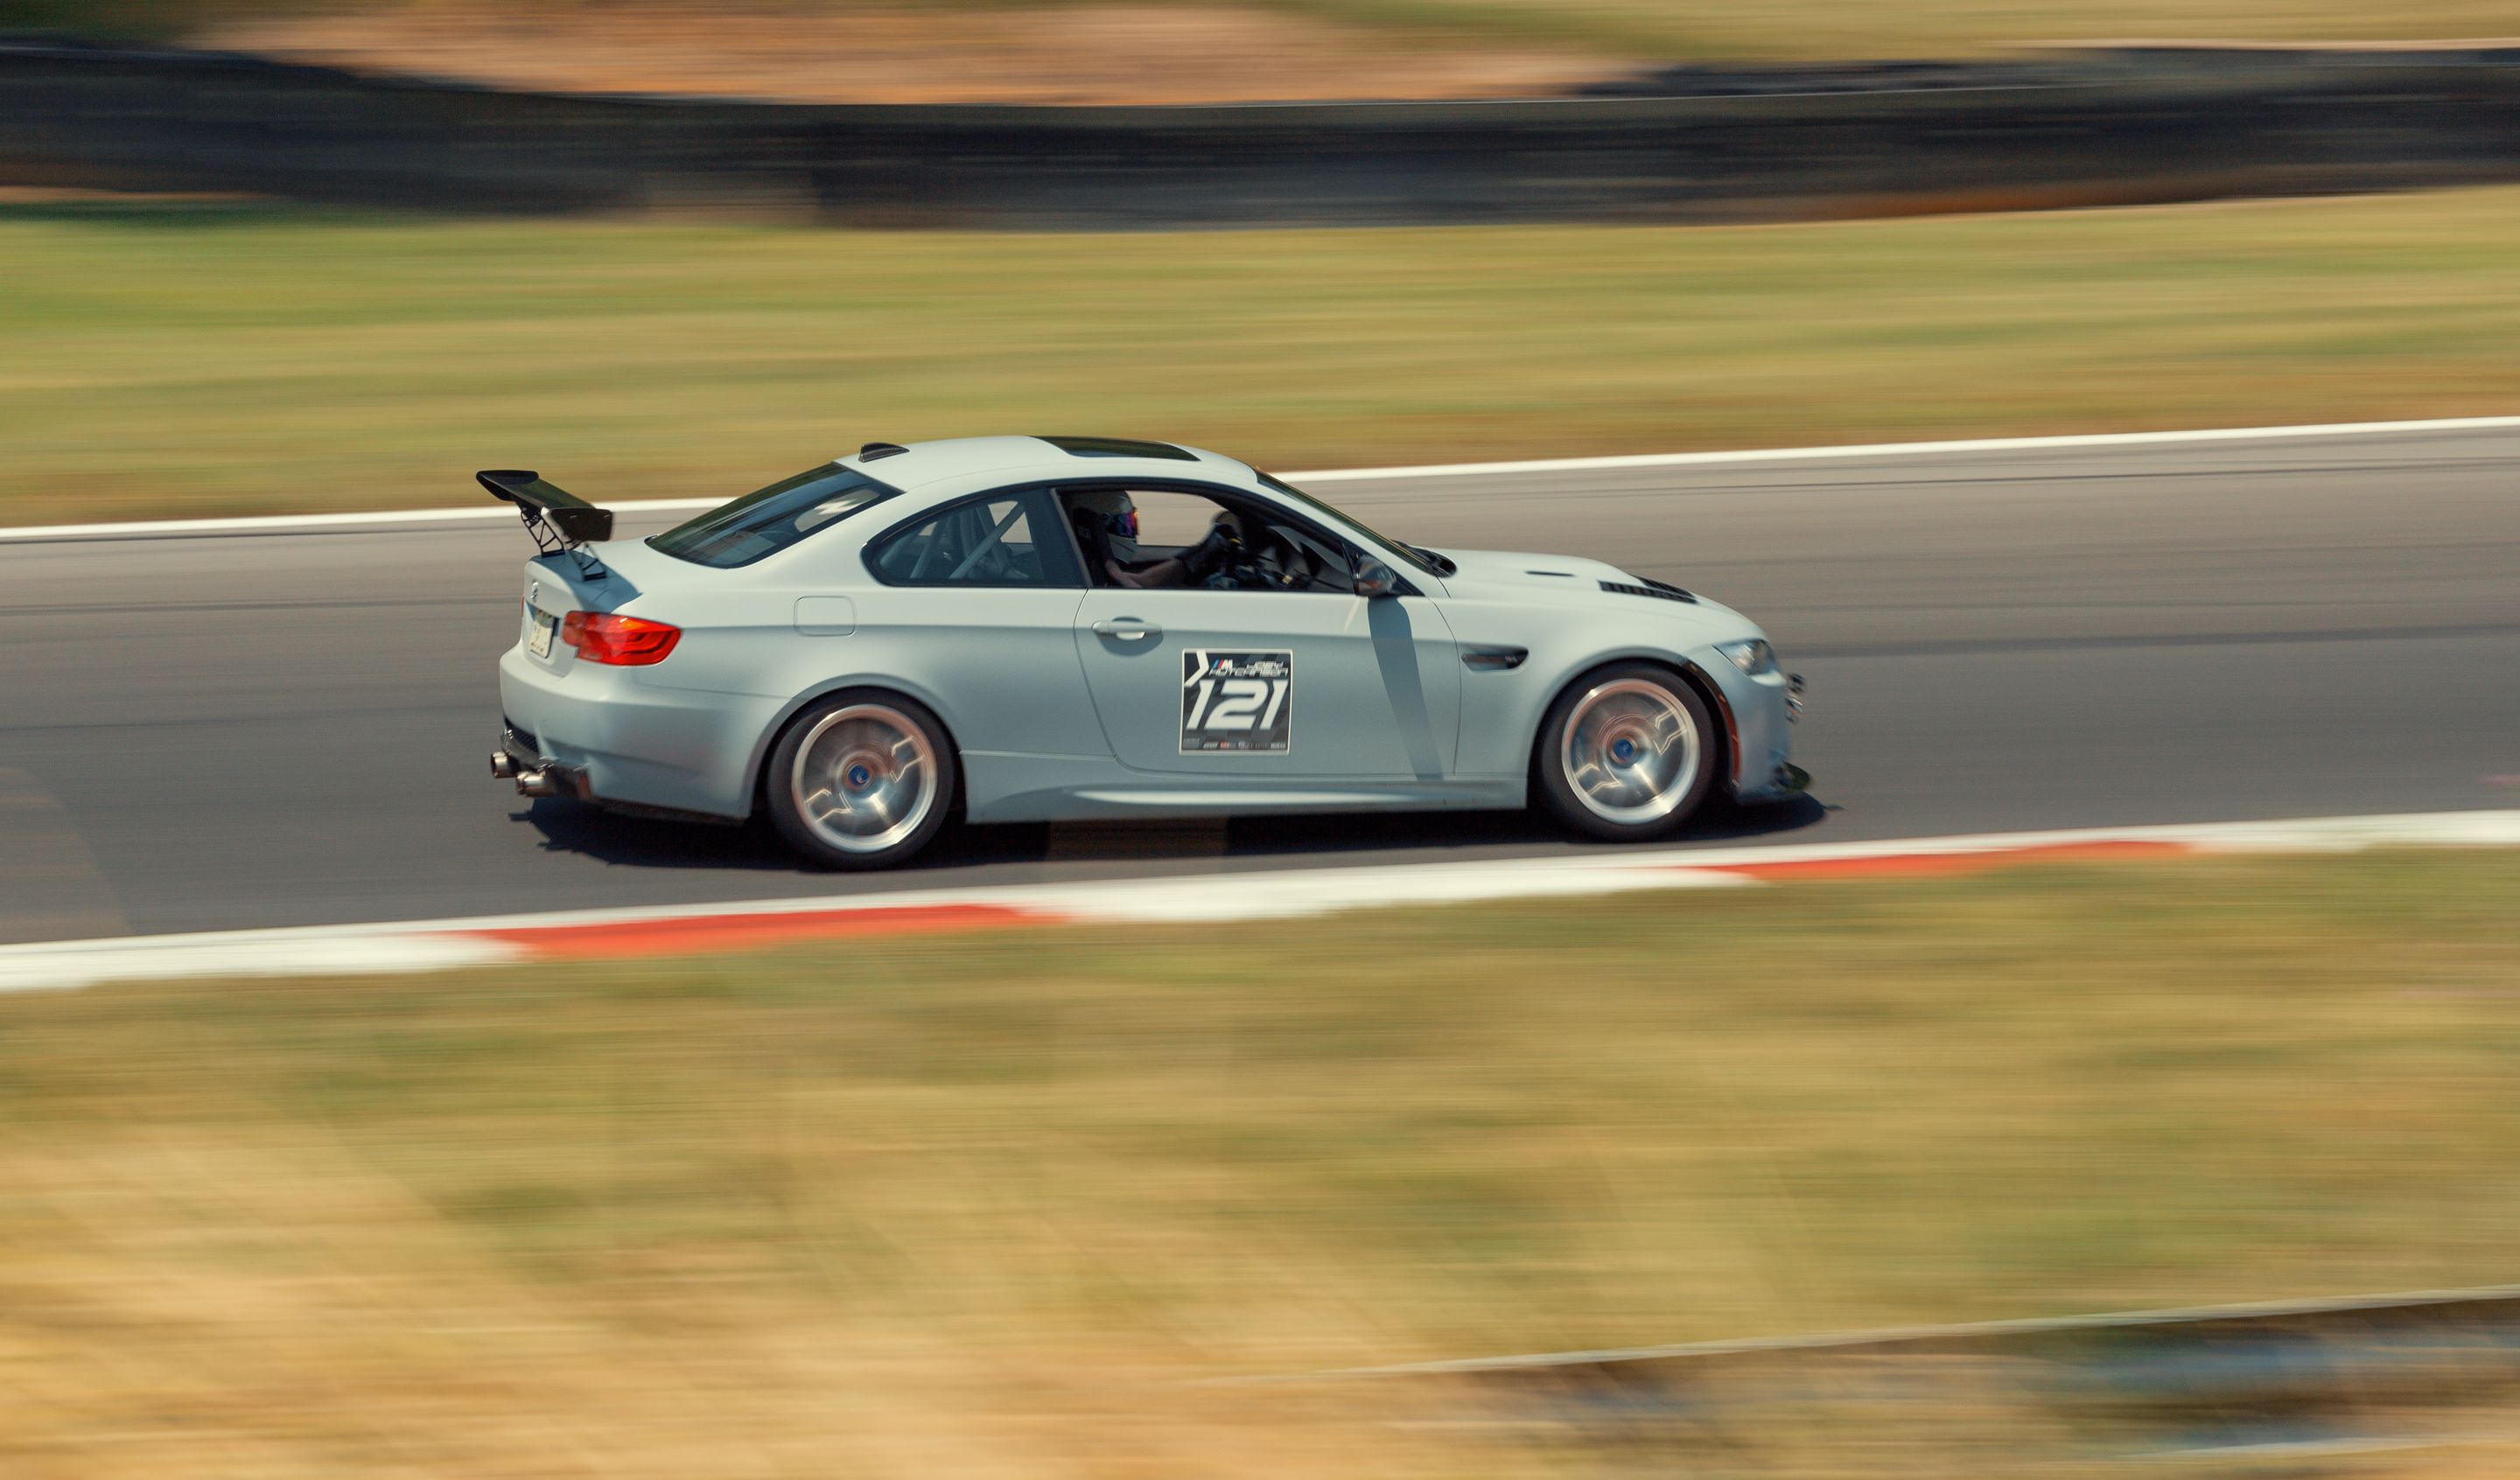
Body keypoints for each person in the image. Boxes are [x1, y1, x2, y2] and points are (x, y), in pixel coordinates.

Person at [1068, 489, 1239, 590]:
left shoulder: (1090, 570)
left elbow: (1143, 580)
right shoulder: (1095, 574)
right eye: (1123, 524)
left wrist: (1199, 553)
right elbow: (1136, 587)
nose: (1129, 531)